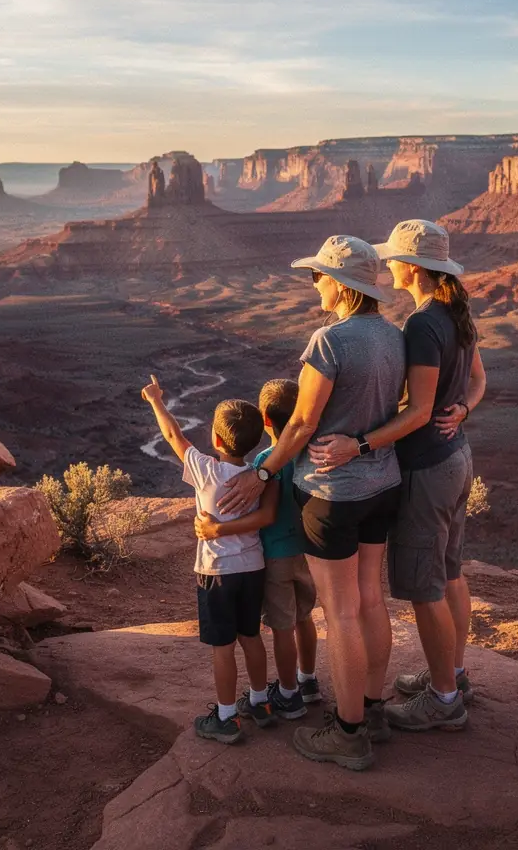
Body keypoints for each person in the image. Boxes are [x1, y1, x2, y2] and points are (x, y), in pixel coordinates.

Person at [218, 235, 405, 771]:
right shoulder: (394, 336)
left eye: (319, 275)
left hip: (332, 495)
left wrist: (262, 472)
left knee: (340, 612)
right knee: (370, 600)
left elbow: (300, 423)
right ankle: (372, 710)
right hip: (382, 485)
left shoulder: (329, 341)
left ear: (341, 285)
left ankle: (348, 733)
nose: (314, 283)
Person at [309, 219, 486, 733]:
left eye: (393, 260)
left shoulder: (423, 324)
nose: (387, 267)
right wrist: (465, 410)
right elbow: (478, 380)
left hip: (428, 466)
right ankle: (452, 675)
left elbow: (419, 412)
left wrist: (358, 444)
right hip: (457, 457)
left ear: (412, 268)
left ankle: (444, 700)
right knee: (449, 572)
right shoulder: (456, 313)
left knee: (425, 587)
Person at [141, 375, 279, 743]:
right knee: (251, 636)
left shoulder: (206, 470)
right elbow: (266, 516)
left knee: (223, 646)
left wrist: (156, 400)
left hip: (216, 571)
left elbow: (173, 436)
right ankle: (261, 702)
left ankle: (226, 717)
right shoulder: (259, 477)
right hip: (253, 568)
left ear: (216, 439)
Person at [195, 378, 321, 719]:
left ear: (266, 420)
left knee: (282, 626)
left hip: (277, 556)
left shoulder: (266, 462)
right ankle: (308, 680)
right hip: (308, 552)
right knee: (304, 617)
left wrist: (217, 528)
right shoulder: (309, 451)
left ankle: (289, 695)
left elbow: (266, 513)